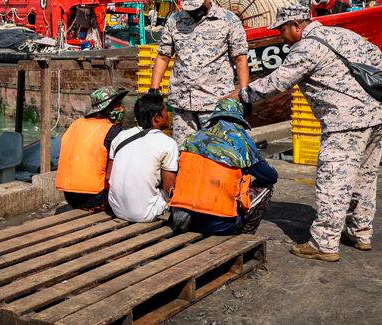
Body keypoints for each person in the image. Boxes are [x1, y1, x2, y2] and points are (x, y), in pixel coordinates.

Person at [236, 4, 382, 262]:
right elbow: (376, 56)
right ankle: (360, 232)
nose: (281, 36)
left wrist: (242, 94)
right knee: (364, 179)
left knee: (333, 182)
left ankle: (324, 244)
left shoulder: (306, 47)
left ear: (297, 25)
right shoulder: (343, 34)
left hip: (345, 124)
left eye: (283, 30)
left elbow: (277, 82)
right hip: (376, 117)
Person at [150, 0, 249, 146]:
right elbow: (163, 56)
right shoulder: (175, 21)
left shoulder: (228, 20)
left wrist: (244, 91)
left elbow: (240, 58)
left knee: (216, 153)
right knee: (184, 153)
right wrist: (153, 88)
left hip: (215, 103)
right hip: (182, 104)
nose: (193, 10)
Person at [170, 98, 277, 235]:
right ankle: (244, 238)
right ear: (239, 119)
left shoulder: (192, 138)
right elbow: (271, 176)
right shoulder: (242, 142)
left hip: (184, 221)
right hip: (220, 225)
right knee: (267, 187)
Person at [107, 92, 179, 222]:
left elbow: (108, 177)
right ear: (157, 117)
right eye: (165, 111)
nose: (168, 115)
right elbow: (169, 188)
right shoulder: (168, 143)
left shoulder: (120, 136)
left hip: (116, 209)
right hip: (145, 214)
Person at [56, 86, 127, 212]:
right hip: (96, 198)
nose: (122, 109)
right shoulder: (113, 131)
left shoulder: (76, 124)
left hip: (69, 196)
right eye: (118, 106)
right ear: (108, 110)